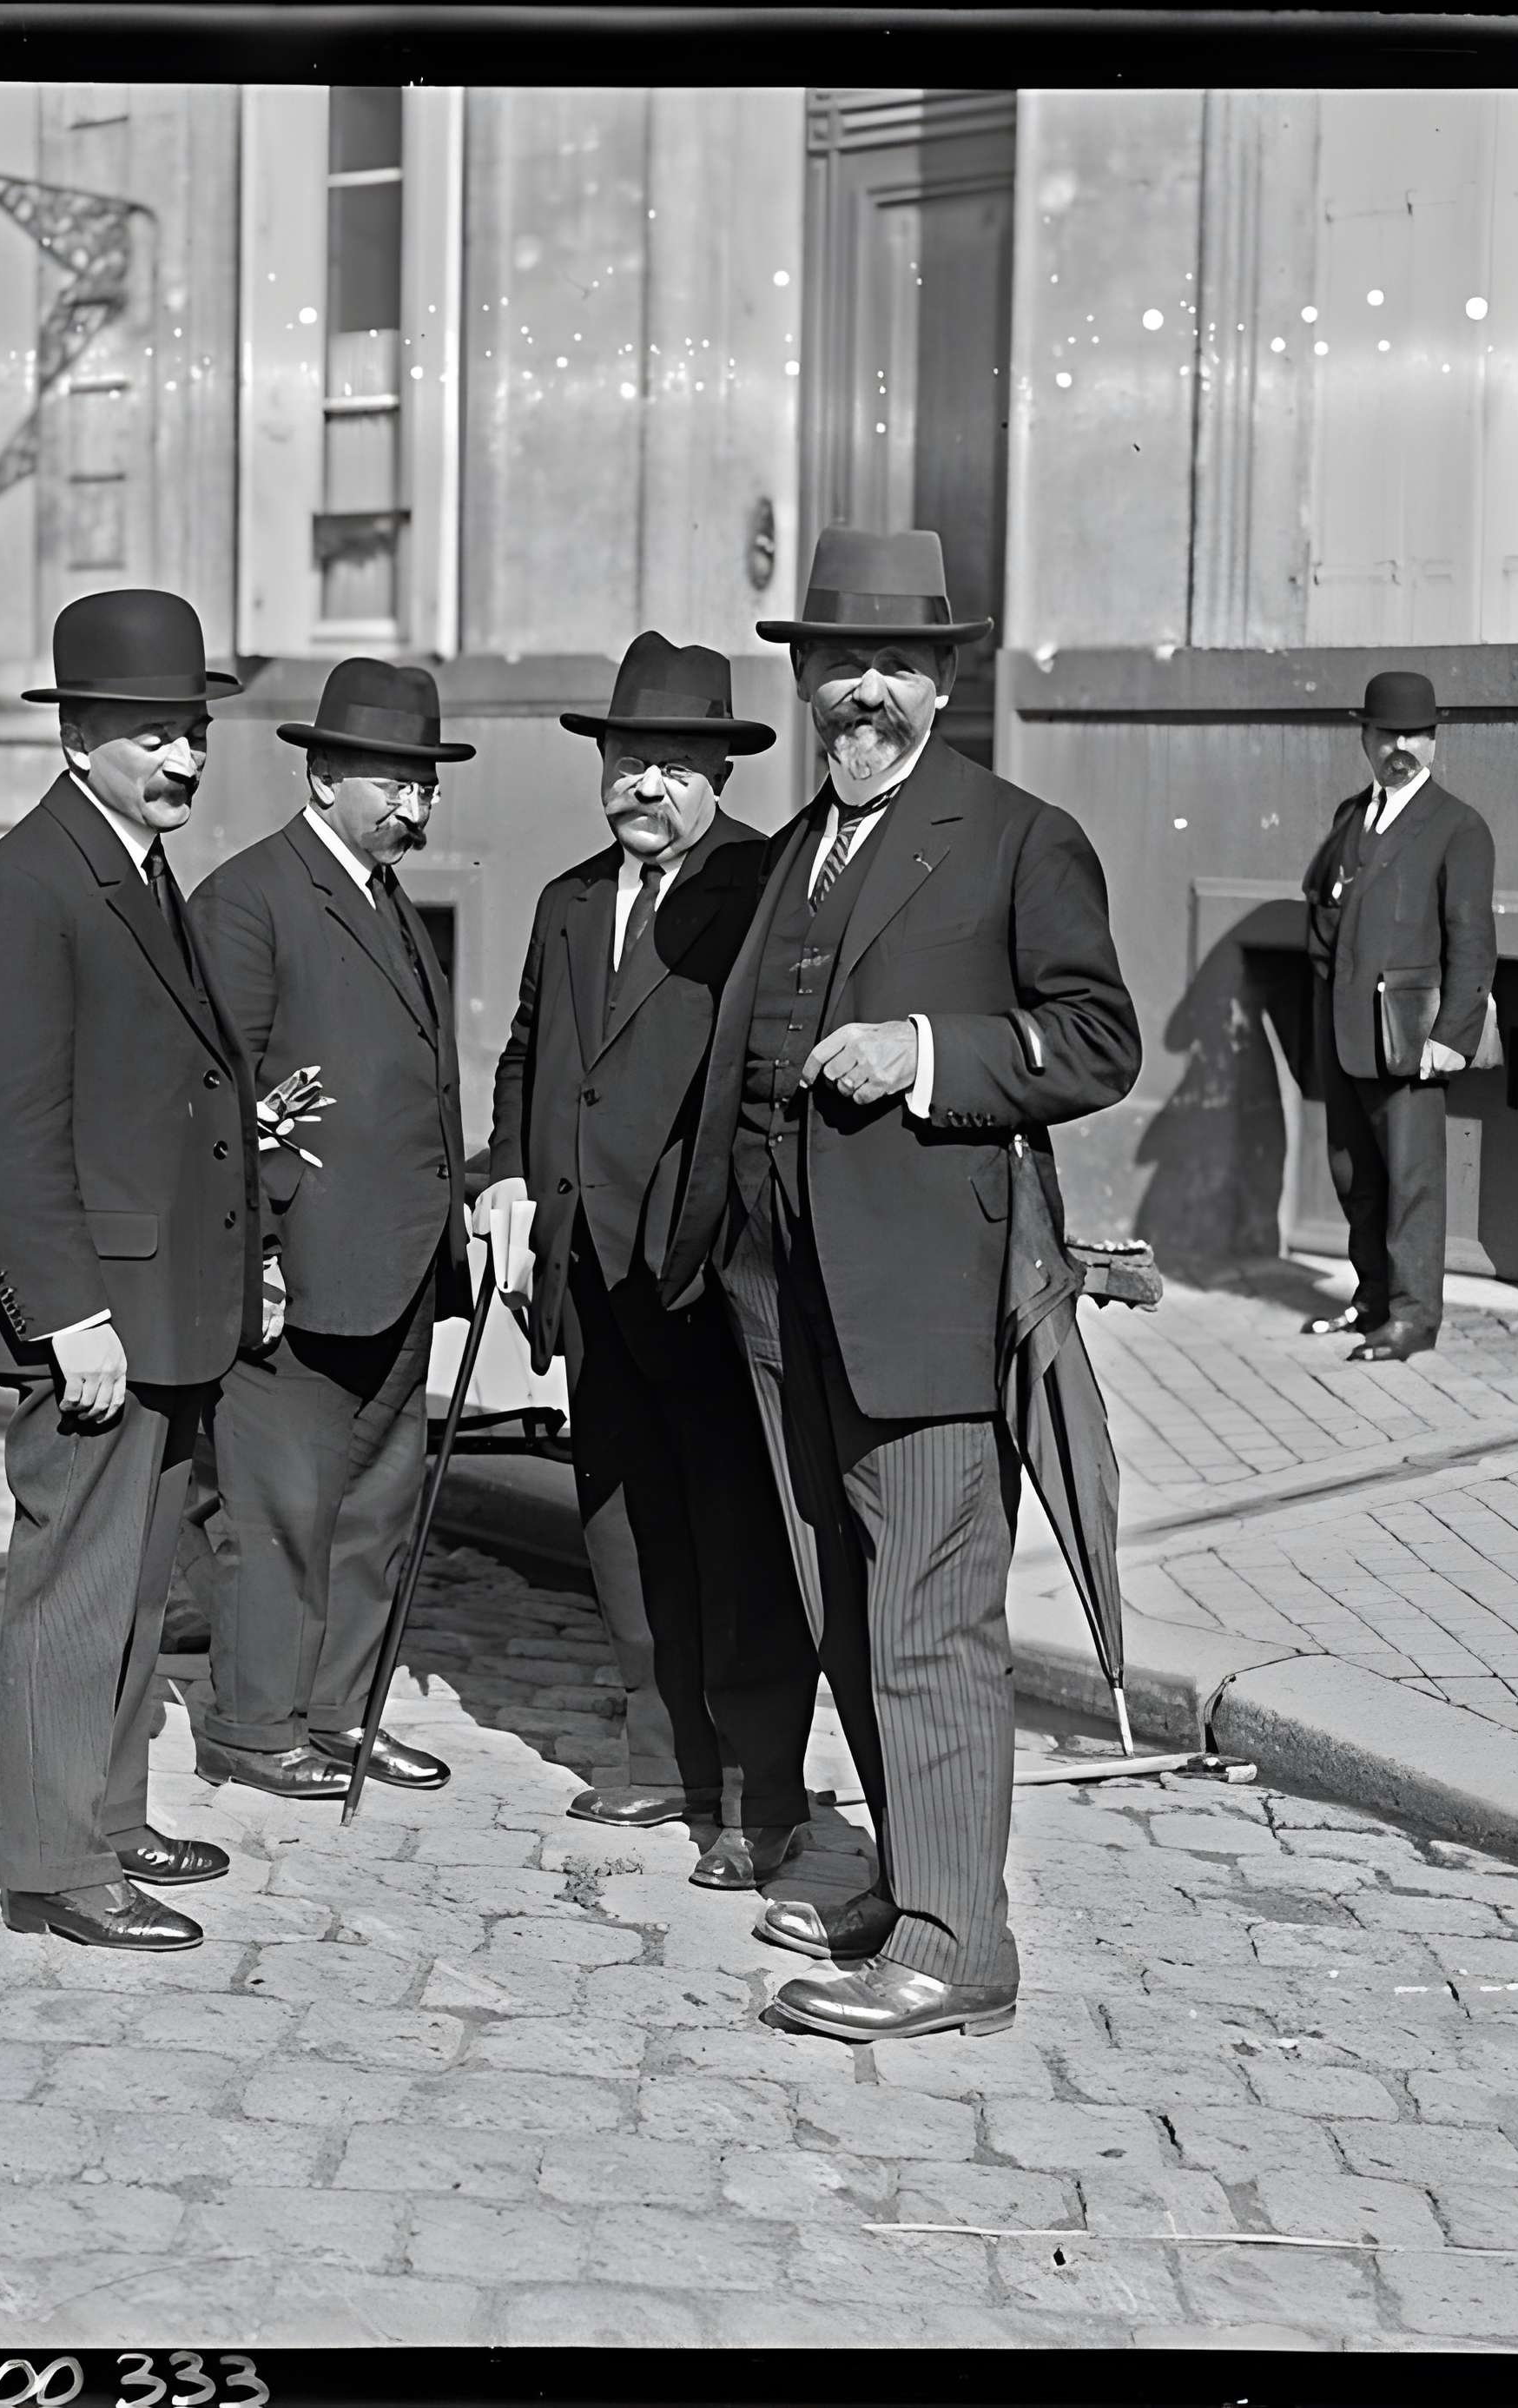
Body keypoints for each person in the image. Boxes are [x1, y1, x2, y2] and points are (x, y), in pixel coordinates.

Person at [662, 526, 1141, 2042]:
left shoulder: (1016, 836)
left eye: (896, 668)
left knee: (934, 1620)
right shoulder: (795, 847)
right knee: (848, 1614)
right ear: (800, 679)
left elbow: (1096, 1039)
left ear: (940, 683)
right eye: (837, 665)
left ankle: (955, 1942)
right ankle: (905, 1873)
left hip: (925, 1308)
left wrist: (929, 1056)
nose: (863, 693)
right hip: (780, 1302)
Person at [472, 632, 820, 1887]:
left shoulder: (765, 889)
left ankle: (767, 1795)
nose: (644, 787)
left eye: (674, 764)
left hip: (705, 1279)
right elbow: (525, 1052)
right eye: (628, 760)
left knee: (740, 1540)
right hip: (587, 1277)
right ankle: (662, 1759)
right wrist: (508, 1177)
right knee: (622, 1526)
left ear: (719, 775)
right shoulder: (571, 902)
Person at [0, 587, 253, 1952]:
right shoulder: (26, 886)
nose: (183, 759)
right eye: (150, 734)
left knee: (134, 1583)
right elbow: (4, 1142)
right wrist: (68, 1314)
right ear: (76, 736)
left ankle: (111, 1814)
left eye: (191, 730)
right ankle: (55, 1860)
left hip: (166, 1302)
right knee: (75, 1582)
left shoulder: (135, 867)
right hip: (95, 1313)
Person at [184, 659, 477, 1799]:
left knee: (374, 1511)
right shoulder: (251, 899)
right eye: (392, 780)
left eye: (427, 784)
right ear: (322, 774)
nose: (414, 804)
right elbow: (216, 1098)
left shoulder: (386, 896)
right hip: (297, 1272)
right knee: (282, 1511)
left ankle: (340, 1714)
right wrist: (255, 1250)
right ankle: (255, 1729)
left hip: (400, 1265)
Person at [1296, 668, 1497, 1364]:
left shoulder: (1458, 828)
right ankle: (1374, 1297)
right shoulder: (1351, 816)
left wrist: (1453, 1037)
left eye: (1415, 734)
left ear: (1434, 741)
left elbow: (1472, 940)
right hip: (1344, 1027)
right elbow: (1324, 910)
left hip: (1411, 1036)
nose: (1400, 747)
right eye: (1387, 733)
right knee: (1354, 1170)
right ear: (1366, 737)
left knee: (1413, 1179)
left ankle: (1414, 1318)